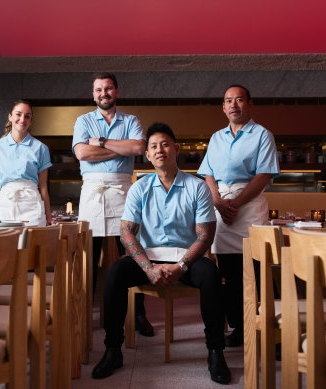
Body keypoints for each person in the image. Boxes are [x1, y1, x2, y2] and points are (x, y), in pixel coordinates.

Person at [92, 122, 231, 384]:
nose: (159, 150)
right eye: (153, 146)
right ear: (147, 155)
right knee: (116, 272)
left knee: (211, 275)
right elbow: (127, 233)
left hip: (187, 258)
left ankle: (215, 351)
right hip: (149, 258)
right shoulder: (139, 188)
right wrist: (148, 268)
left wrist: (180, 266)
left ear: (176, 149)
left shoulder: (197, 186)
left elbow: (205, 235)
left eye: (165, 144)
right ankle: (113, 349)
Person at [198, 85, 279, 347]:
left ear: (249, 104)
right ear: (223, 107)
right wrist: (218, 202)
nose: (233, 105)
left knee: (257, 271)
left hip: (250, 206)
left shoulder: (262, 135)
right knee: (229, 273)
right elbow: (209, 173)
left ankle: (273, 331)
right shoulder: (216, 137)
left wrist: (236, 203)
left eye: (239, 100)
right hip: (221, 208)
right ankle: (240, 327)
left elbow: (263, 175)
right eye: (228, 101)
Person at [72, 72, 153, 336]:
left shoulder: (131, 120)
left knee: (133, 252)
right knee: (89, 256)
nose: (103, 94)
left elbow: (139, 148)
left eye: (108, 89)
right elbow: (82, 152)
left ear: (116, 91)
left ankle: (138, 313)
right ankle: (85, 312)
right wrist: (120, 148)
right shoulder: (83, 120)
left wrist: (103, 143)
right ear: (93, 94)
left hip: (123, 190)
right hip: (92, 191)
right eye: (98, 90)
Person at [0, 100, 53, 226]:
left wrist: (48, 217)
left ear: (31, 121)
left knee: (33, 244)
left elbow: (43, 187)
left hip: (32, 205)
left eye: (27, 116)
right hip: (4, 204)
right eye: (18, 114)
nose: (22, 119)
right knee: (4, 245)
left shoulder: (41, 148)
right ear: (10, 116)